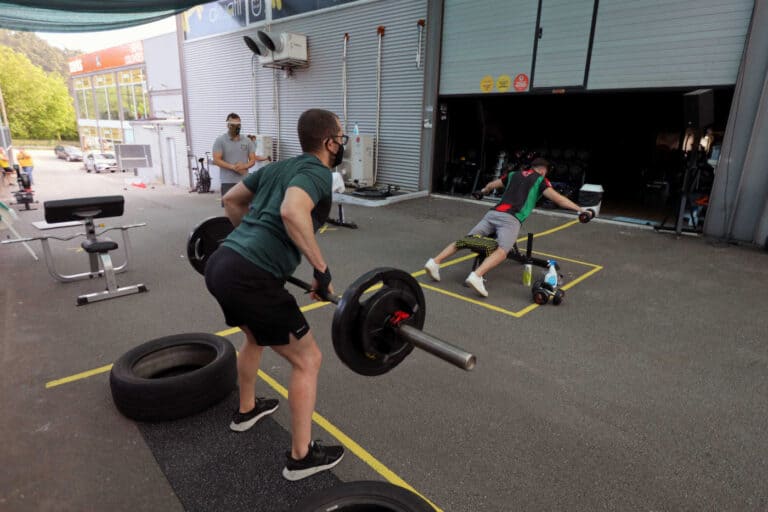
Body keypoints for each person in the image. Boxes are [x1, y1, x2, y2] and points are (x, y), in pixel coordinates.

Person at [204, 108, 347, 481]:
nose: (342, 143)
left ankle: (247, 409)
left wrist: (249, 242)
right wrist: (322, 271)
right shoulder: (318, 172)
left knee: (254, 335)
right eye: (341, 137)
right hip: (250, 277)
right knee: (308, 360)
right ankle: (301, 457)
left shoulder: (278, 167)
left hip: (221, 262)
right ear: (330, 141)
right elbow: (291, 211)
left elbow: (232, 202)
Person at [424, 157, 588, 298]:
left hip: (493, 214)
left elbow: (491, 185)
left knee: (465, 240)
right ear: (543, 170)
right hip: (511, 218)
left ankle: (434, 262)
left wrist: (482, 191)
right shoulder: (540, 180)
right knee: (503, 251)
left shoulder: (513, 174)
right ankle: (477, 276)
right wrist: (581, 210)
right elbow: (559, 199)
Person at [212, 113, 257, 202]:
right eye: (233, 125)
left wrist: (244, 166)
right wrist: (232, 167)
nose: (236, 128)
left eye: (238, 125)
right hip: (227, 181)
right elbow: (216, 160)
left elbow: (252, 160)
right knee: (230, 209)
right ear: (228, 125)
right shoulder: (220, 140)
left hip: (244, 181)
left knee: (245, 207)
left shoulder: (247, 141)